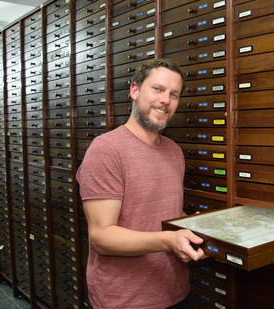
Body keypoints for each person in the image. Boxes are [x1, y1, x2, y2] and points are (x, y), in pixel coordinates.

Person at [76, 58, 205, 309]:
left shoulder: (174, 152)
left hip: (177, 292)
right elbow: (102, 236)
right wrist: (168, 240)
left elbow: (164, 215)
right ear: (134, 90)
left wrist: (196, 229)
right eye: (157, 89)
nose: (165, 100)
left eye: (174, 94)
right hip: (125, 300)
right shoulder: (106, 150)